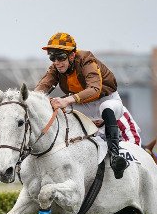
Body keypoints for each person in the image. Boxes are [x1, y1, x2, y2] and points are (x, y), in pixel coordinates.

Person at [35, 32, 127, 179]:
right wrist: (29, 100)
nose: (57, 62)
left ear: (72, 55)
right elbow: (42, 87)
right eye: (52, 57)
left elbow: (95, 89)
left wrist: (67, 100)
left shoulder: (87, 60)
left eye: (61, 57)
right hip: (82, 103)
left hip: (106, 100)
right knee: (56, 108)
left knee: (106, 108)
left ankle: (115, 156)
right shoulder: (56, 68)